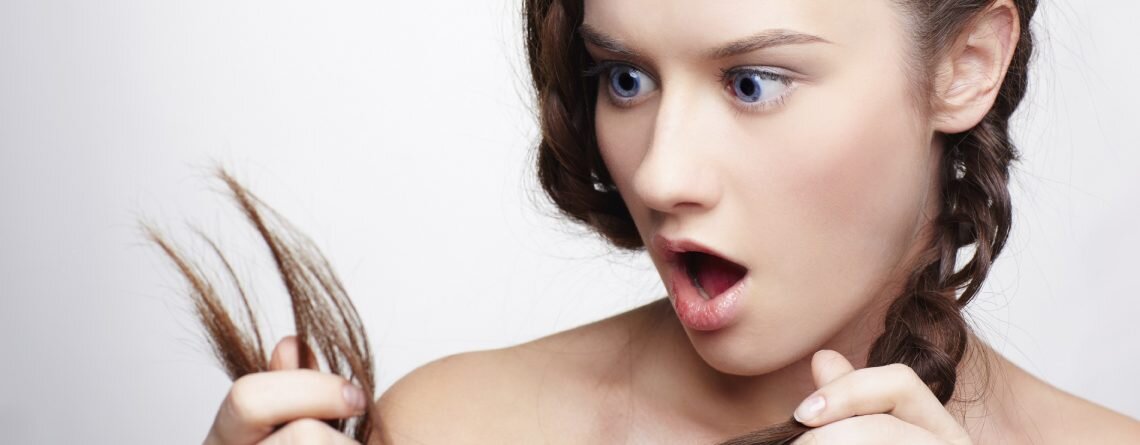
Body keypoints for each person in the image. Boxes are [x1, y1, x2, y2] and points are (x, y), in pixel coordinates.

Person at [163, 0, 1140, 443]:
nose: (662, 173)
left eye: (753, 82)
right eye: (624, 77)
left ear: (967, 65)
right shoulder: (450, 428)